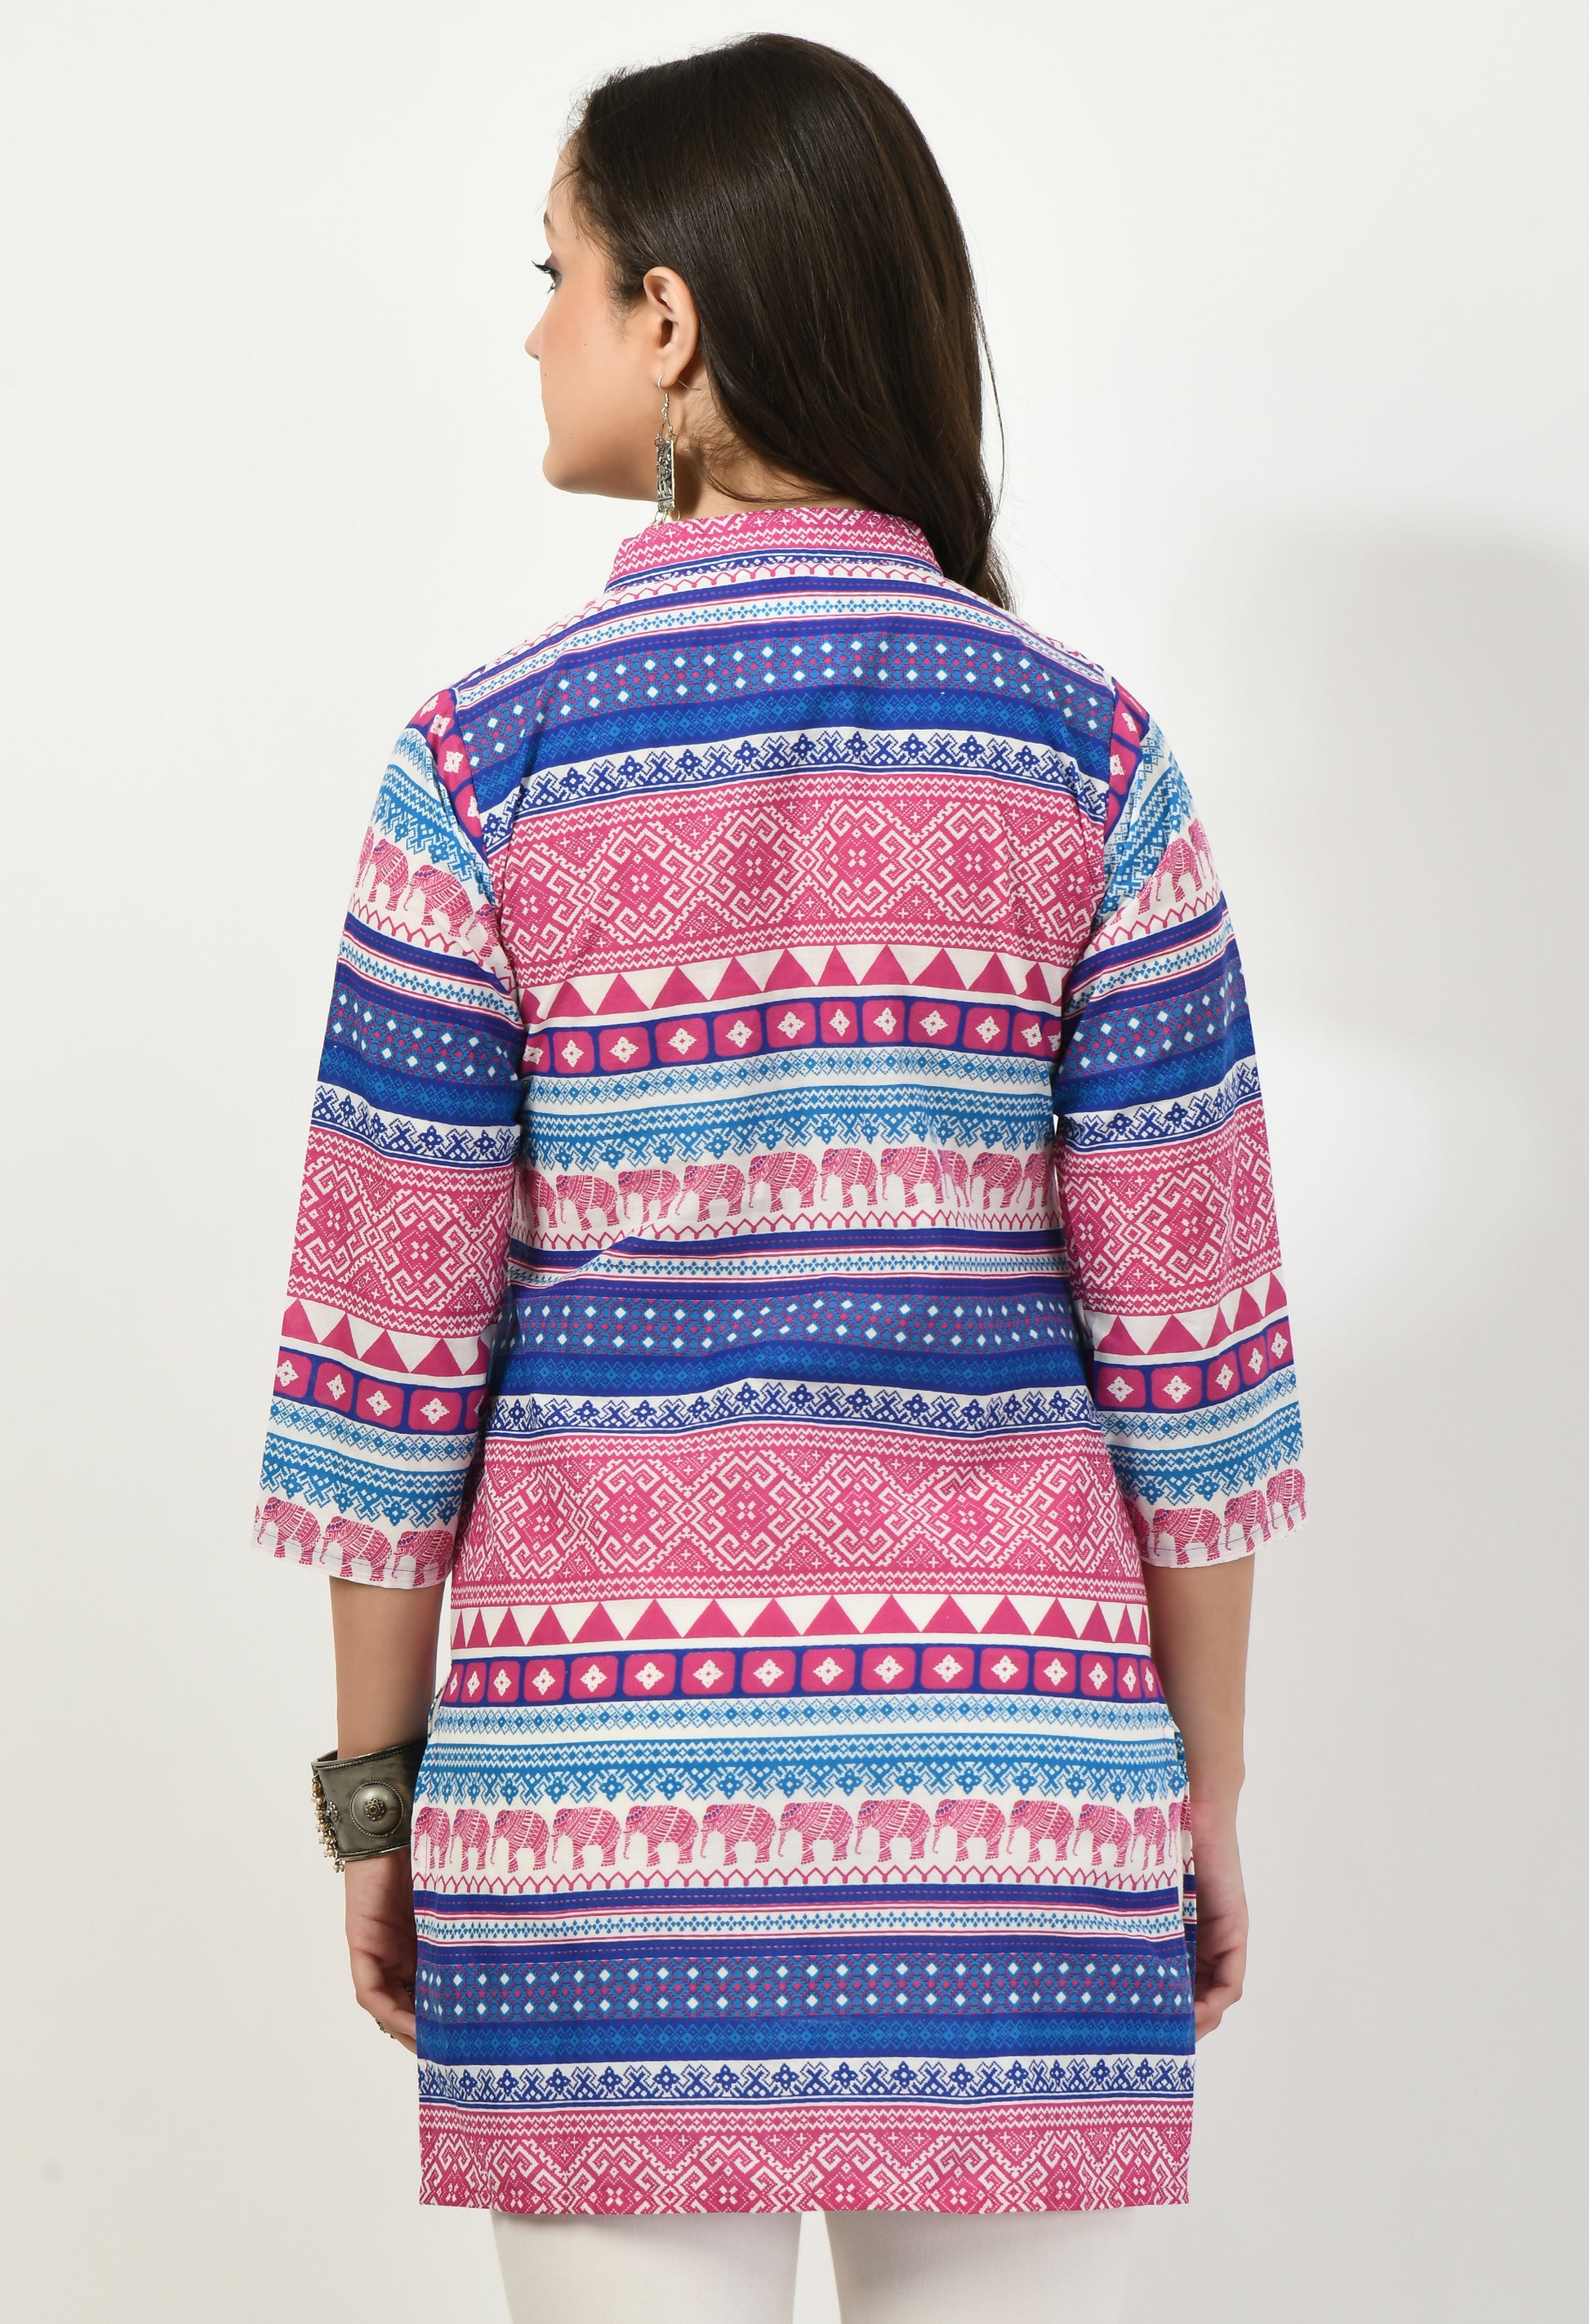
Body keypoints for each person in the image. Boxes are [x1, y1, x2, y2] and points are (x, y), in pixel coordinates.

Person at [253, 32, 1305, 2324]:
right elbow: (1197, 1365)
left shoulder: (479, 768)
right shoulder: (1090, 759)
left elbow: (383, 1364)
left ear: (672, 321)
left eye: (555, 273)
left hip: (596, 1817)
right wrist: (1199, 1789)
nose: (531, 328)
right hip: (1013, 1810)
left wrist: (375, 1799)